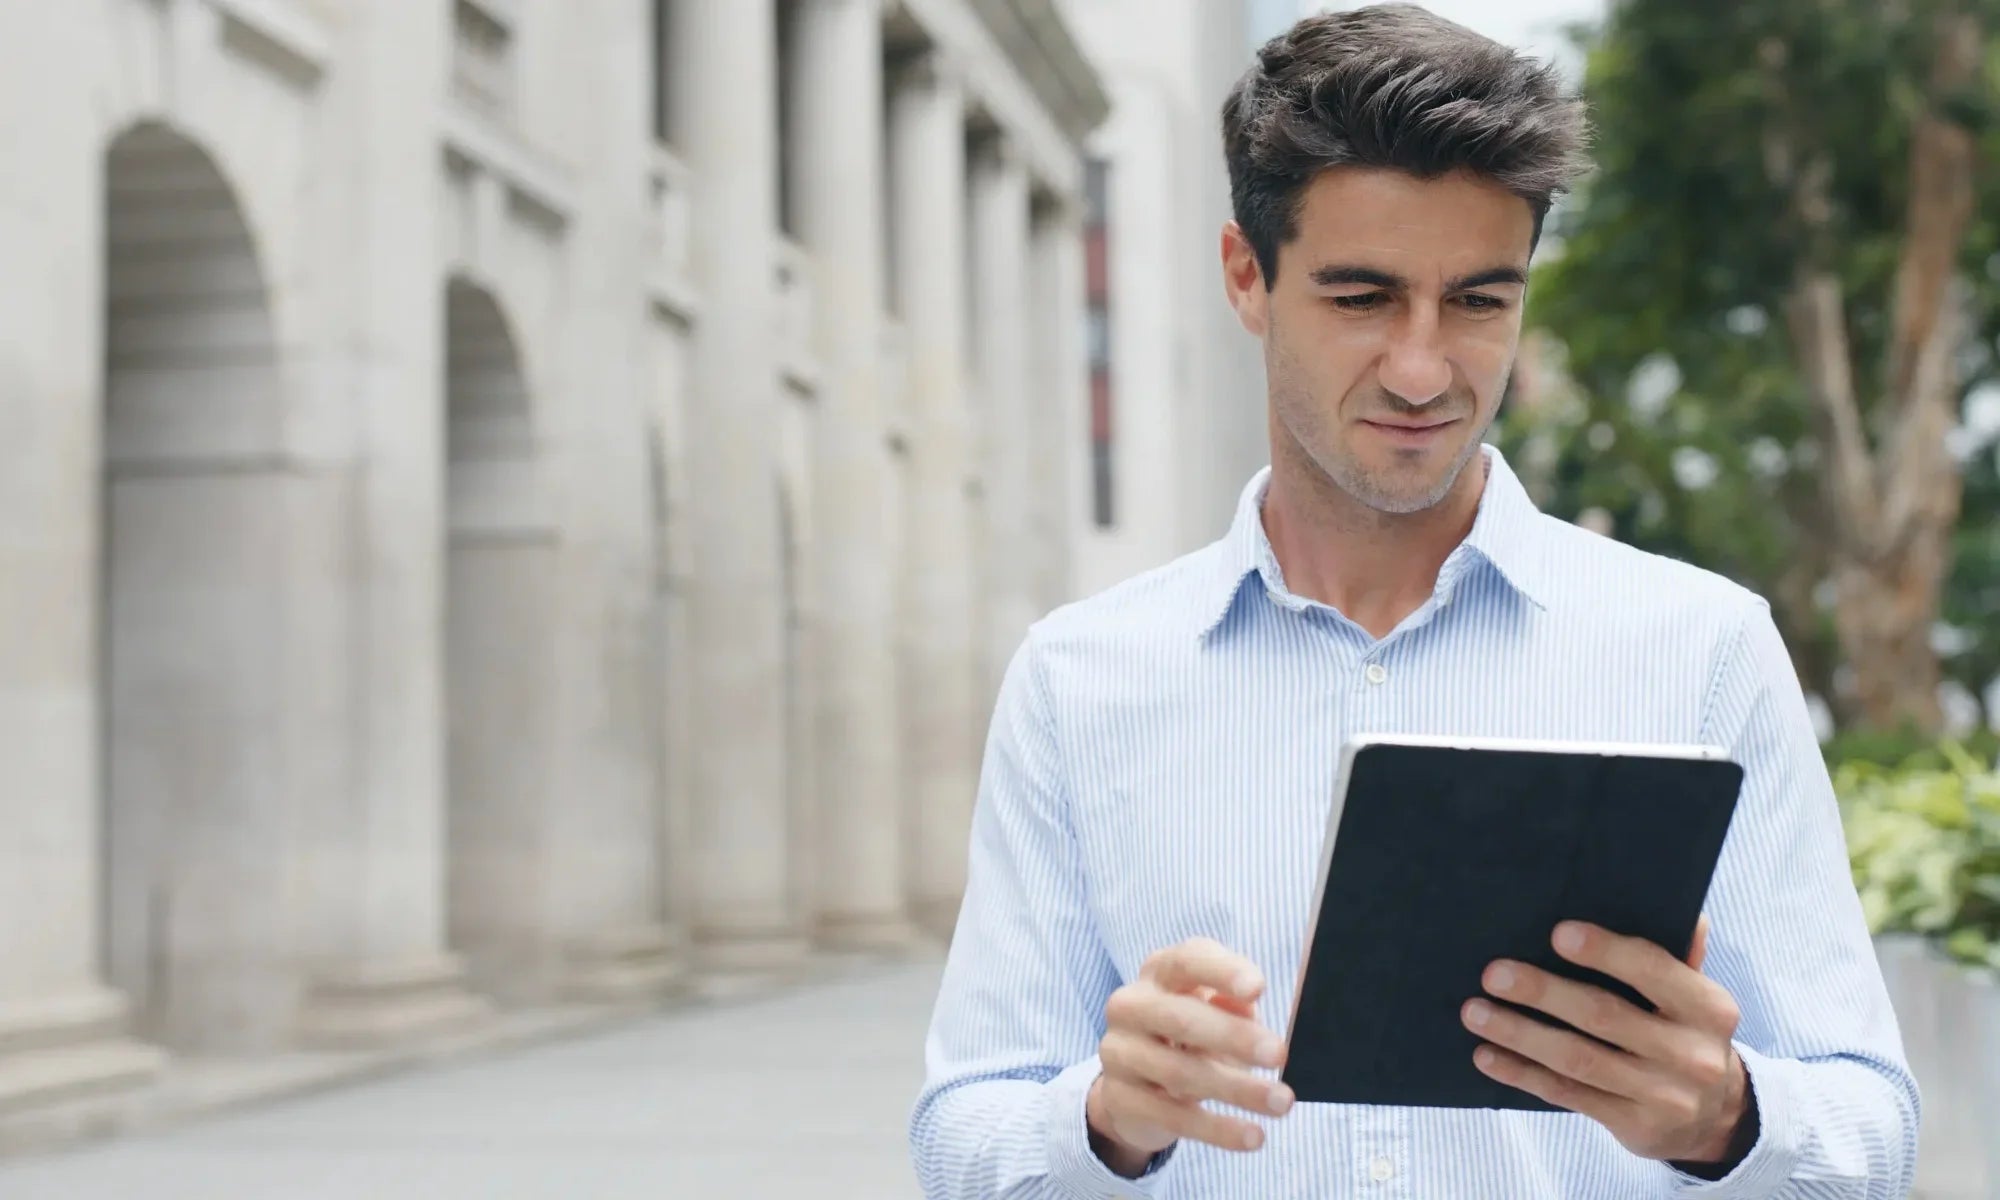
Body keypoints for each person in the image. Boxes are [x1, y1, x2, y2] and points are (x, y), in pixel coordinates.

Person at [907, 4, 1919, 1198]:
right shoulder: (1080, 680)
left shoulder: (1699, 650)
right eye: (1360, 299)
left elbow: (1871, 1129)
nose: (1423, 370)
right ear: (1246, 277)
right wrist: (1101, 1120)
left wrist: (1725, 1117)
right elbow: (960, 1137)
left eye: (1479, 301)